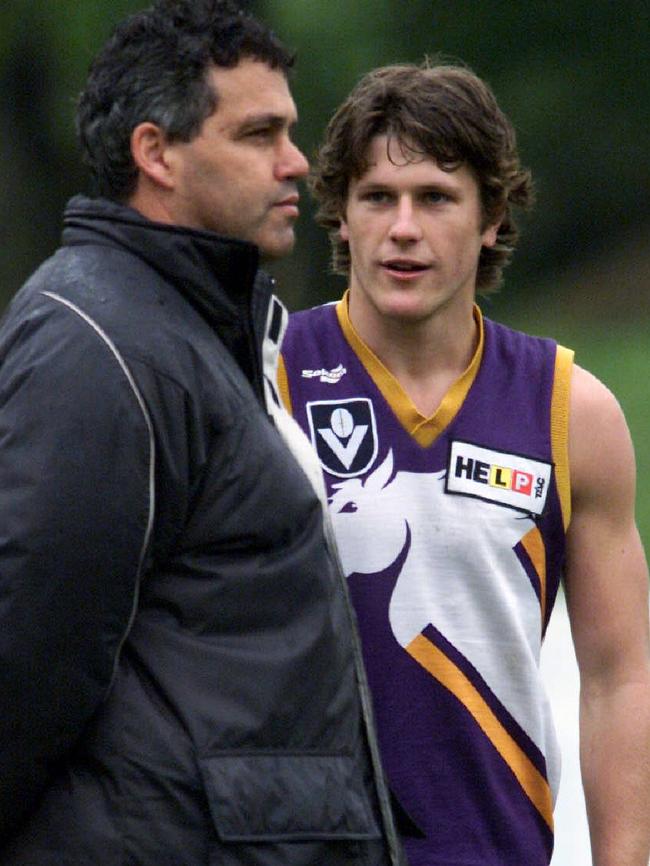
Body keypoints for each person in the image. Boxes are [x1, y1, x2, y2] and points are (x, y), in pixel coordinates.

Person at [0, 3, 405, 863]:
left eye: (289, 132)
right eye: (260, 134)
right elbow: (28, 657)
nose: (296, 163)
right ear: (157, 154)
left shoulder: (199, 326)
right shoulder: (95, 341)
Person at [279, 60, 650, 866]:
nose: (403, 227)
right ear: (340, 214)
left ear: (491, 216)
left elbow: (620, 680)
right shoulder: (268, 380)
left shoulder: (571, 412)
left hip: (496, 846)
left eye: (437, 198)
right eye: (378, 197)